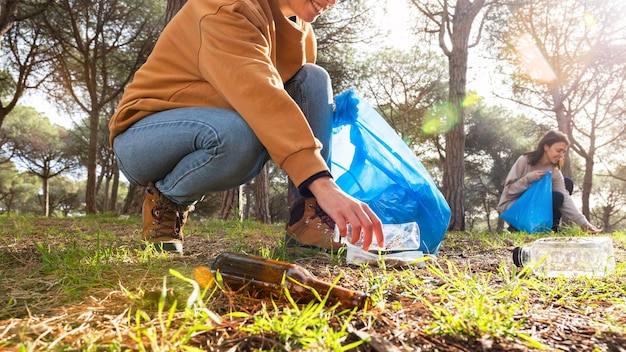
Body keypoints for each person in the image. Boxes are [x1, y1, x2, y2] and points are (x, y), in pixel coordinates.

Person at [108, 0, 385, 255]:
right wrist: (324, 183)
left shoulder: (302, 31)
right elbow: (259, 94)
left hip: (219, 126)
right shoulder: (229, 6)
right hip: (144, 136)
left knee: (313, 78)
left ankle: (308, 221)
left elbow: (285, 99)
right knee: (243, 136)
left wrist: (323, 113)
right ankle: (167, 200)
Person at [497, 130, 601, 233]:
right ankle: (518, 227)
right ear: (546, 147)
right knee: (557, 195)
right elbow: (509, 190)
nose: (561, 155)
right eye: (558, 150)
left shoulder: (554, 171)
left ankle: (550, 228)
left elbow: (565, 199)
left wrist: (583, 223)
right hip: (515, 209)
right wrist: (528, 179)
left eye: (563, 152)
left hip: (535, 208)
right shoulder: (524, 161)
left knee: (566, 185)